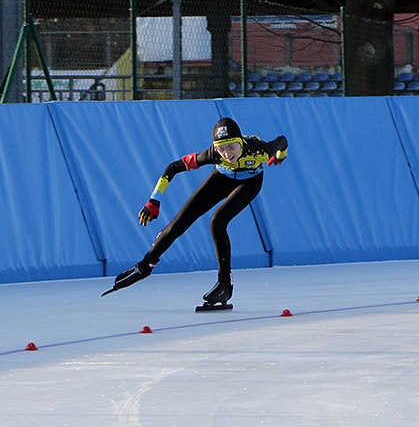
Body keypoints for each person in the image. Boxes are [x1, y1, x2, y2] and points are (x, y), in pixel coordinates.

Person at [103, 117, 288, 306]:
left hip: (249, 182)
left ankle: (225, 285)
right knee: (179, 222)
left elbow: (282, 141)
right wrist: (154, 200)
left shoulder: (260, 150)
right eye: (221, 148)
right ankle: (144, 266)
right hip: (222, 178)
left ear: (240, 141)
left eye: (232, 146)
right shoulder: (213, 155)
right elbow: (172, 168)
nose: (227, 153)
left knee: (218, 221)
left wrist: (281, 154)